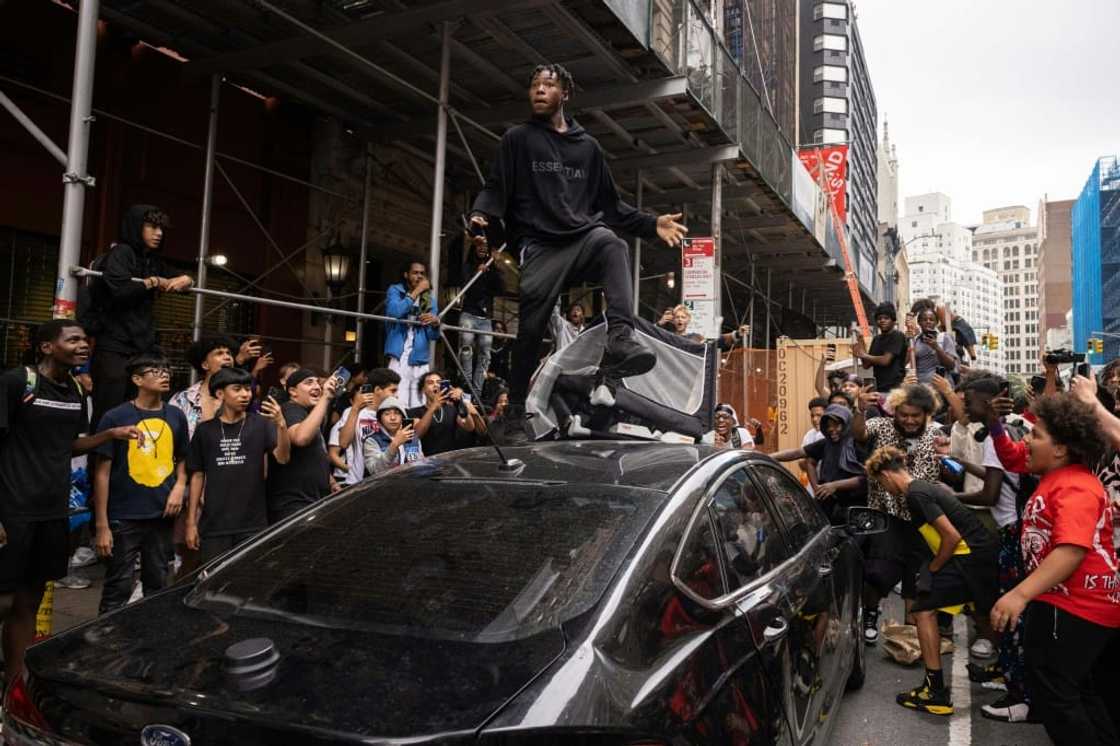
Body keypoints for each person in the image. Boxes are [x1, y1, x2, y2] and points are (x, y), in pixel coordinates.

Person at [468, 63, 688, 439]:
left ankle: (621, 336)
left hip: (580, 237)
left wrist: (652, 224)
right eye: (534, 84)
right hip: (539, 245)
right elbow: (495, 186)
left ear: (564, 94)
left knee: (610, 243)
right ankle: (517, 408)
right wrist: (480, 213)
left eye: (548, 85)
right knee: (531, 329)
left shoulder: (588, 148)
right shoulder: (517, 139)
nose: (539, 90)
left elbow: (613, 208)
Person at [0, 320, 142, 680]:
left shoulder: (77, 390)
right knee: (3, 600)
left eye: (85, 339)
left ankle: (13, 682)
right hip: (13, 508)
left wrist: (109, 434)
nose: (84, 345)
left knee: (29, 599)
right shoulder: (17, 382)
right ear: (46, 346)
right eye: (73, 339)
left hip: (51, 511)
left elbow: (71, 444)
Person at [984, 393, 1120, 745]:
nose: (1026, 440)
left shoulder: (1075, 485)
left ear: (1060, 449)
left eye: (1036, 435)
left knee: (1054, 694)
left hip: (1075, 607)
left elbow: (1072, 549)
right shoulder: (1057, 478)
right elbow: (1012, 456)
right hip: (1066, 604)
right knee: (1077, 691)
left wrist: (1019, 594)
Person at [865, 446, 999, 716]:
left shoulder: (916, 494)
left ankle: (935, 691)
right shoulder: (920, 489)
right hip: (977, 555)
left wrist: (934, 569)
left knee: (923, 610)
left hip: (968, 556)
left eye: (880, 483)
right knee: (981, 610)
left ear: (887, 475)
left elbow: (950, 537)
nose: (883, 488)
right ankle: (1004, 670)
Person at [90, 354, 189, 613]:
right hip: (124, 514)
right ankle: (106, 646)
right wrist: (101, 524)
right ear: (137, 379)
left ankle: (147, 644)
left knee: (157, 584)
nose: (164, 374)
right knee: (118, 586)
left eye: (166, 369)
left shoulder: (176, 415)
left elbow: (182, 458)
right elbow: (102, 472)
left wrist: (179, 487)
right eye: (155, 371)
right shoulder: (116, 417)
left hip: (162, 512)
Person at [82, 205, 193, 428]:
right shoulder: (121, 253)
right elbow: (120, 290)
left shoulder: (152, 260)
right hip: (114, 347)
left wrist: (186, 279)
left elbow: (179, 278)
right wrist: (152, 282)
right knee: (109, 414)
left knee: (141, 411)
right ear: (136, 227)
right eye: (152, 226)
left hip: (142, 348)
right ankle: (102, 463)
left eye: (161, 228)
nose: (159, 233)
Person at [852, 383, 945, 643]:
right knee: (879, 574)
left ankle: (910, 634)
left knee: (915, 580)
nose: (909, 420)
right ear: (894, 412)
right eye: (903, 414)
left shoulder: (937, 435)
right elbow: (859, 434)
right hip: (886, 516)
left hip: (922, 521)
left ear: (927, 414)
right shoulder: (881, 426)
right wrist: (859, 409)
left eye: (915, 415)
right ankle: (869, 612)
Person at [185, 368, 290, 563]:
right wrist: (191, 522)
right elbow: (197, 475)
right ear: (220, 394)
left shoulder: (261, 424)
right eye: (237, 389)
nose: (245, 394)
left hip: (252, 524)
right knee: (213, 583)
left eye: (248, 389)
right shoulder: (205, 431)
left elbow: (283, 458)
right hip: (214, 524)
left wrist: (281, 425)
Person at [771, 404, 867, 524]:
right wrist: (768, 457)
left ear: (847, 423)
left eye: (836, 425)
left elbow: (866, 479)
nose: (831, 429)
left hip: (855, 509)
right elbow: (798, 454)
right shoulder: (826, 443)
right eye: (828, 426)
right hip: (828, 507)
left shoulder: (858, 445)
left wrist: (835, 485)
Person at [266, 368, 339, 523]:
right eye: (308, 383)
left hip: (310, 501)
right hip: (293, 505)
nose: (317, 387)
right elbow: (301, 438)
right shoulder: (290, 409)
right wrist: (325, 398)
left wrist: (330, 481)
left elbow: (314, 454)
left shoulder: (307, 413)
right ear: (293, 391)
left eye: (318, 383)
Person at [327, 368, 400, 487]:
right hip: (358, 483)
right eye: (393, 391)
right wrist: (355, 408)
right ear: (377, 390)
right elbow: (344, 443)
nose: (396, 396)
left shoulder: (396, 416)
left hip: (387, 482)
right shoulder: (354, 412)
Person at [385, 261, 440, 410]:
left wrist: (435, 324)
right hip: (399, 354)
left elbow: (433, 336)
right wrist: (416, 291)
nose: (419, 276)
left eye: (422, 273)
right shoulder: (395, 290)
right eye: (415, 273)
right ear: (406, 275)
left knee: (421, 401)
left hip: (419, 355)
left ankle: (418, 432)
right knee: (396, 399)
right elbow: (395, 311)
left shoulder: (430, 300)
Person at [458, 240, 505, 395]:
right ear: (474, 248)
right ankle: (467, 383)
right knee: (466, 345)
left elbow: (500, 288)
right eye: (479, 246)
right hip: (469, 313)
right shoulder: (468, 266)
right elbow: (466, 286)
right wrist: (476, 274)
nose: (483, 249)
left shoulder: (491, 268)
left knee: (485, 352)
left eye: (486, 247)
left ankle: (477, 390)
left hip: (485, 318)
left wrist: (495, 267)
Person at [409, 372, 480, 456]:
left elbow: (469, 427)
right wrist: (433, 407)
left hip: (450, 461)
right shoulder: (414, 412)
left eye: (439, 382)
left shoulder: (452, 408)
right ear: (423, 389)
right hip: (428, 462)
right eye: (430, 383)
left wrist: (460, 403)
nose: (435, 385)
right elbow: (417, 435)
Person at [853, 302, 908, 393]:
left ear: (893, 320)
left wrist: (864, 355)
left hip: (896, 388)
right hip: (879, 388)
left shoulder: (897, 336)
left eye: (886, 318)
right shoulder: (876, 339)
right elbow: (866, 364)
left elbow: (885, 360)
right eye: (879, 318)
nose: (882, 320)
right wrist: (860, 340)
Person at [363, 397, 423, 475]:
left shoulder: (413, 437)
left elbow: (420, 464)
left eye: (397, 413)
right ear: (380, 419)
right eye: (387, 414)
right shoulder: (372, 440)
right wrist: (394, 445)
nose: (393, 418)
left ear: (403, 417)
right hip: (385, 485)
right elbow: (375, 470)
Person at [910, 306, 958, 384]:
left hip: (941, 388)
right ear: (919, 322)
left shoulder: (944, 337)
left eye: (931, 319)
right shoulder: (915, 341)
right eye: (924, 319)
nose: (928, 321)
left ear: (936, 322)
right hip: (922, 389)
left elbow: (951, 365)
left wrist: (936, 347)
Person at [800, 397, 829, 494]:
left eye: (819, 415)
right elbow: (801, 463)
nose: (815, 419)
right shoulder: (809, 435)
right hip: (811, 490)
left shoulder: (831, 434)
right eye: (812, 416)